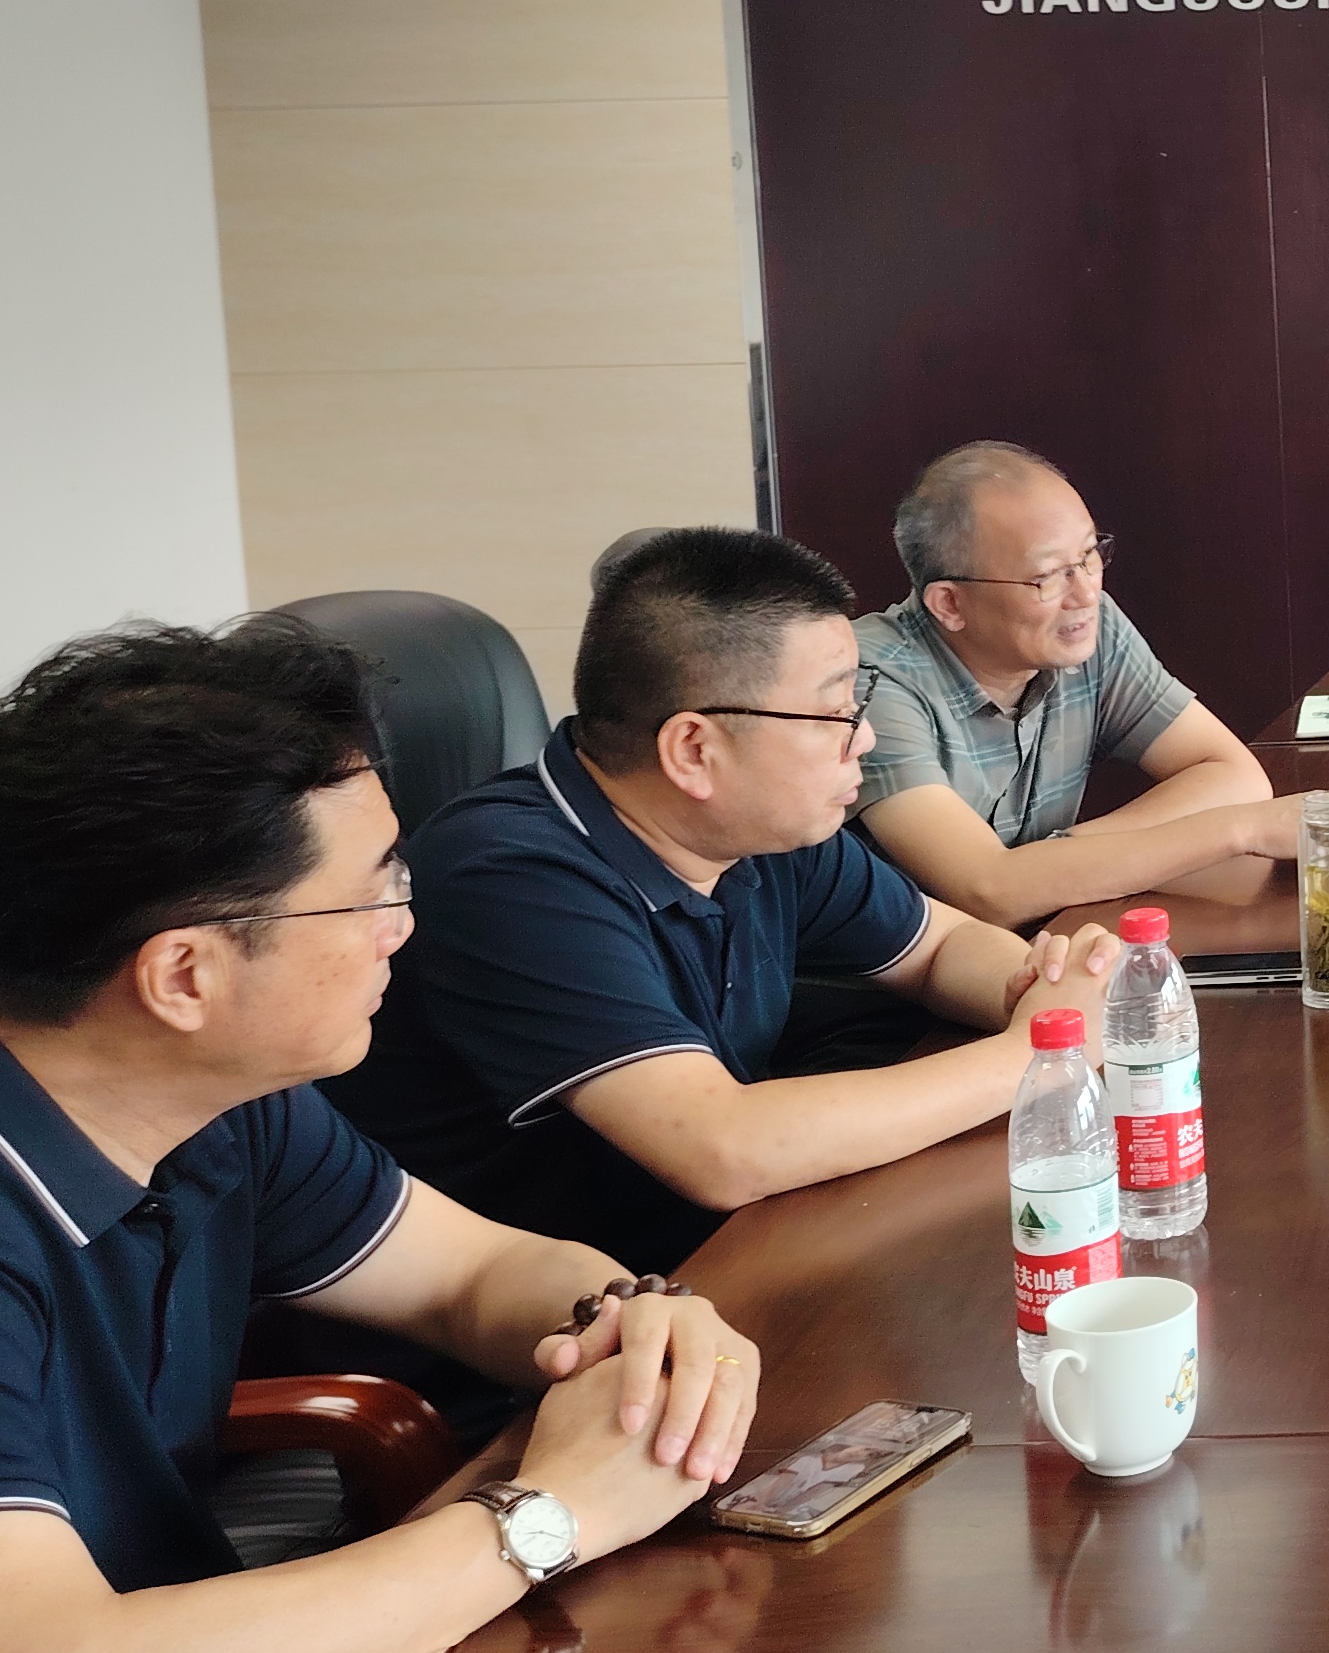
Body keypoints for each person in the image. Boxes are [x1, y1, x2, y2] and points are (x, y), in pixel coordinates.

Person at [0, 622, 765, 1653]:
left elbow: (470, 1274)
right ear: (184, 975)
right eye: (371, 894)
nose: (408, 925)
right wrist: (543, 1519)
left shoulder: (212, 1100)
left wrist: (635, 1315)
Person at [336, 526, 1120, 1275]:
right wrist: (1036, 1052)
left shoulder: (757, 830)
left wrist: (1039, 985)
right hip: (551, 1323)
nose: (864, 737)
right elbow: (723, 1149)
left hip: (718, 1257)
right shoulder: (507, 877)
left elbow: (939, 946)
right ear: (694, 750)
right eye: (833, 713)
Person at [854, 440, 1329, 926]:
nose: (1085, 593)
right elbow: (987, 891)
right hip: (901, 992)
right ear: (950, 603)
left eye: (1090, 556)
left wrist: (1061, 854)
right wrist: (1242, 829)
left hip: (1039, 948)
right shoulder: (870, 681)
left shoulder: (1088, 629)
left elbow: (1232, 774)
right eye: (1047, 577)